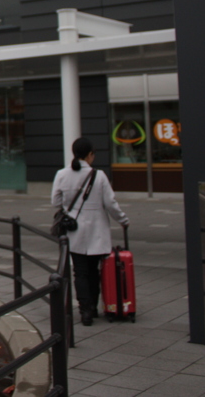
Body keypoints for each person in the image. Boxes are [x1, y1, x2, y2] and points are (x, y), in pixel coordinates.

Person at [51, 137, 130, 327]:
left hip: (75, 231)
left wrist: (69, 208)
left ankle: (84, 310)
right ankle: (93, 308)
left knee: (80, 272)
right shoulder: (99, 176)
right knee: (94, 271)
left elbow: (55, 202)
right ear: (89, 155)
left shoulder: (62, 174)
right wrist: (123, 220)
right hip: (97, 230)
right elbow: (110, 203)